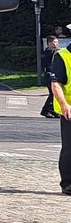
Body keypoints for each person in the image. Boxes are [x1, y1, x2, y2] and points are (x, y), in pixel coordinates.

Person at [46, 40, 71, 195]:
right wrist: (64, 105)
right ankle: (67, 183)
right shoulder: (63, 56)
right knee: (69, 148)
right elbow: (56, 84)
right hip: (70, 110)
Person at [40, 35, 60, 118]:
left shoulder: (52, 51)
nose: (55, 44)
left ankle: (52, 110)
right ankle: (46, 110)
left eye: (56, 42)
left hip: (52, 74)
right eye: (53, 42)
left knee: (55, 94)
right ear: (48, 43)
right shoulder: (48, 51)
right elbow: (48, 64)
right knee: (53, 93)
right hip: (49, 74)